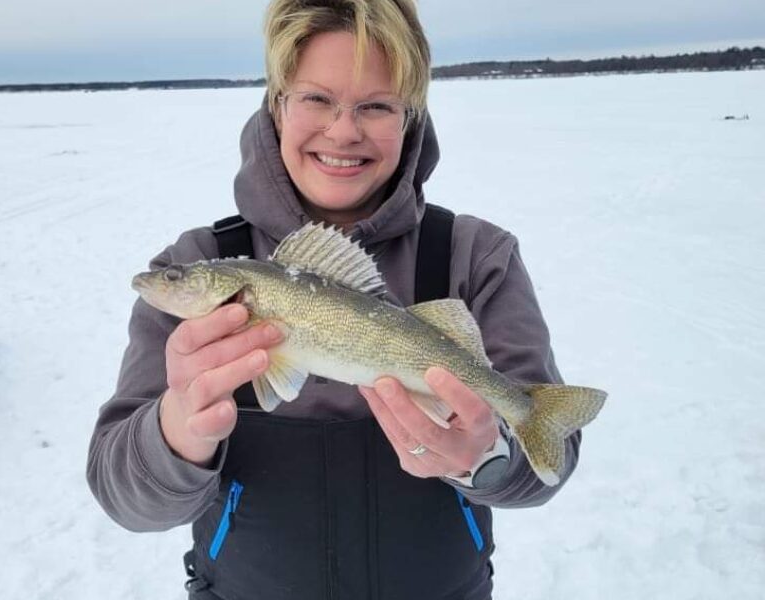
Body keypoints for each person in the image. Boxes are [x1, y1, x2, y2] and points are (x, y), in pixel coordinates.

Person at [87, 1, 582, 598]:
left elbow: (546, 469)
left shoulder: (474, 256)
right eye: (316, 98)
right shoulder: (197, 257)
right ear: (277, 105)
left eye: (376, 105)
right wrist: (176, 432)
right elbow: (122, 496)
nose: (344, 131)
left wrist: (485, 455)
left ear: (411, 117)